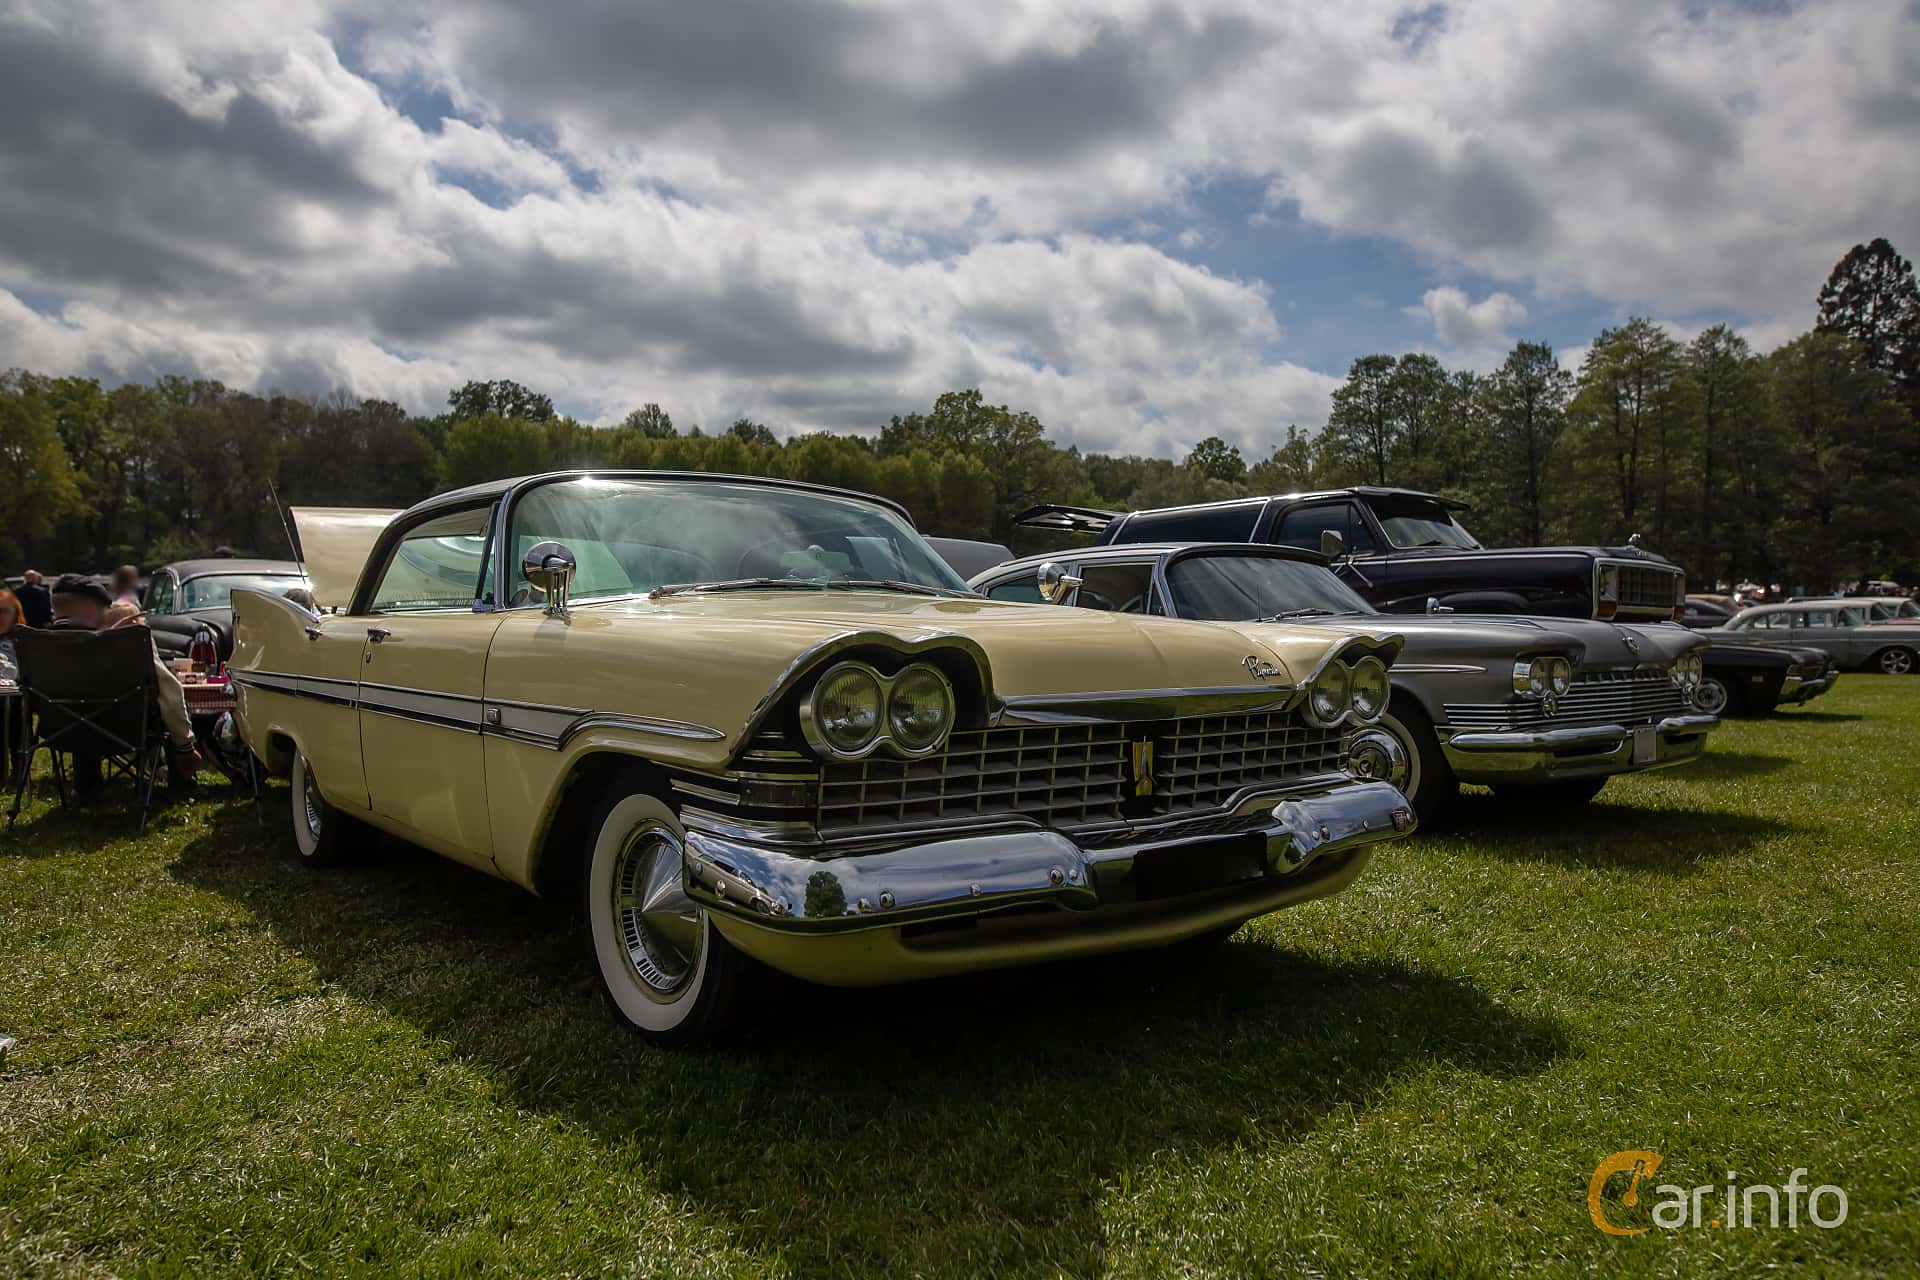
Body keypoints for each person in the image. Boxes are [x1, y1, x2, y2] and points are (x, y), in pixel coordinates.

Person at [46, 574, 200, 794]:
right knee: (156, 714)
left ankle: (85, 789)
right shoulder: (130, 642)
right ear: (90, 608)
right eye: (103, 609)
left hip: (60, 730)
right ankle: (181, 783)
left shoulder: (37, 644)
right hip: (130, 730)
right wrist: (185, 746)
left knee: (82, 717)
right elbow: (170, 691)